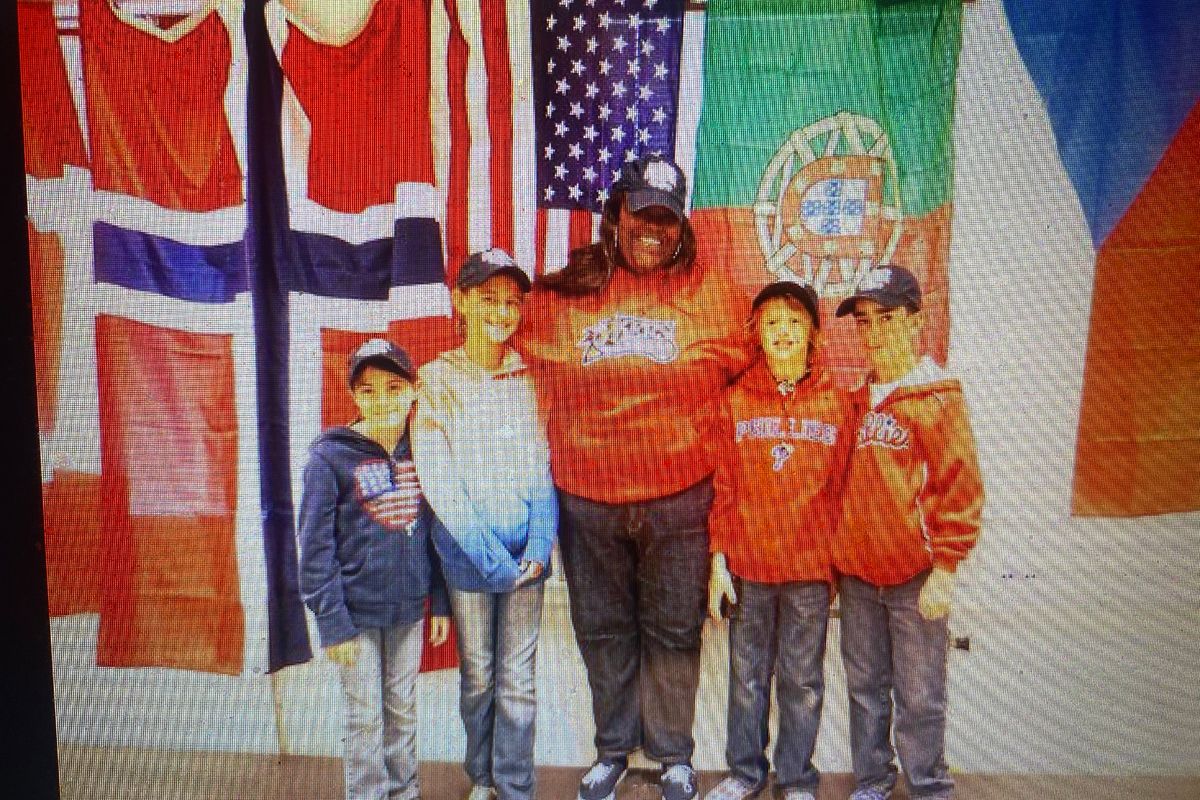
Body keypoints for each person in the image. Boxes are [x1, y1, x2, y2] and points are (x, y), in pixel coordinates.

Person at [517, 154, 752, 800]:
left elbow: (758, 367)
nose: (652, 230)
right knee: (602, 629)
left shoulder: (711, 293)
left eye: (666, 220)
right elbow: (502, 340)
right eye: (641, 214)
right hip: (587, 501)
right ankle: (613, 749)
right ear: (616, 215)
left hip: (680, 501)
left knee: (675, 629)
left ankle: (673, 753)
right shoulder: (565, 291)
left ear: (681, 228)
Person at [832, 266, 985, 800]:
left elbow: (960, 487)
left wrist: (946, 568)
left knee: (920, 696)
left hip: (914, 577)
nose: (874, 332)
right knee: (865, 689)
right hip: (857, 578)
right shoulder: (855, 400)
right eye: (864, 321)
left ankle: (929, 788)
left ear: (917, 321)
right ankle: (873, 781)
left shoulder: (938, 396)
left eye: (887, 318)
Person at [704, 282, 860, 800]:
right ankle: (745, 773)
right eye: (772, 323)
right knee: (747, 678)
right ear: (758, 334)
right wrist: (719, 561)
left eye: (794, 321)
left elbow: (846, 490)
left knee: (802, 681)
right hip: (749, 568)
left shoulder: (838, 402)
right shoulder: (736, 399)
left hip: (809, 573)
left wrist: (836, 566)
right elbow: (724, 487)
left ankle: (796, 780)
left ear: (814, 332)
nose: (783, 333)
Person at [412, 248, 557, 800]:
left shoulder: (530, 376)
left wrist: (538, 547)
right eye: (488, 298)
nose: (501, 311)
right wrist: (493, 561)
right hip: (470, 562)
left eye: (511, 302)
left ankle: (515, 786)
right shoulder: (435, 380)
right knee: (479, 677)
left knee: (518, 680)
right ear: (461, 302)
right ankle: (483, 777)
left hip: (528, 564)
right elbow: (439, 482)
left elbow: (543, 466)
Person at [297, 338, 451, 800]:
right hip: (354, 617)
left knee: (402, 708)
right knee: (365, 716)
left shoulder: (423, 449)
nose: (382, 400)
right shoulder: (328, 458)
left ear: (414, 390)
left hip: (408, 612)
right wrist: (333, 624)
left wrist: (440, 601)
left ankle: (404, 792)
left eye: (393, 387)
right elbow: (315, 551)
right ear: (353, 396)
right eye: (368, 390)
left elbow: (436, 531)